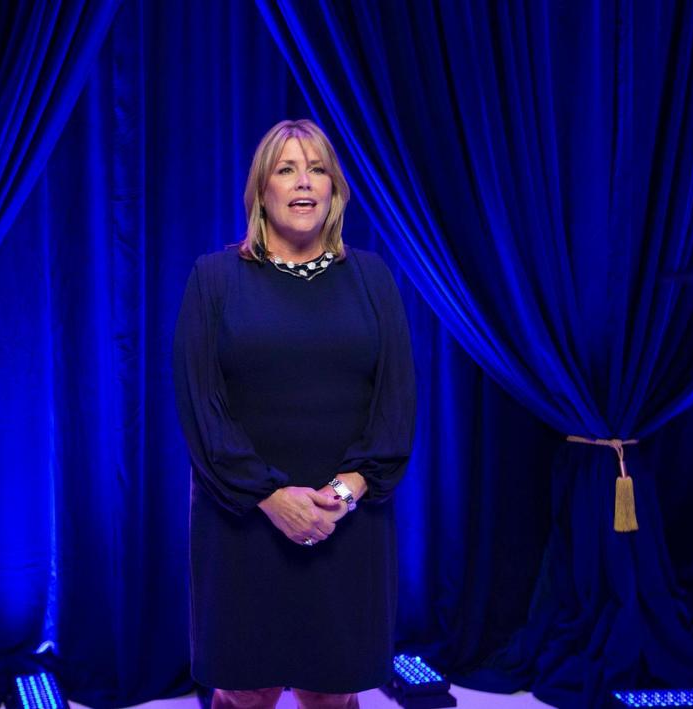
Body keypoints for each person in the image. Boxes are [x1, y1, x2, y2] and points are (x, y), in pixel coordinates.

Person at [172, 118, 416, 709]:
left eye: (317, 169)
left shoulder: (374, 278)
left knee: (330, 693)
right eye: (286, 169)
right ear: (261, 190)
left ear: (335, 189)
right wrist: (270, 497)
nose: (303, 182)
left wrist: (347, 490)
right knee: (244, 691)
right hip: (241, 522)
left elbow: (396, 401)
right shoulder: (214, 278)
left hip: (343, 521)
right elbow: (201, 406)